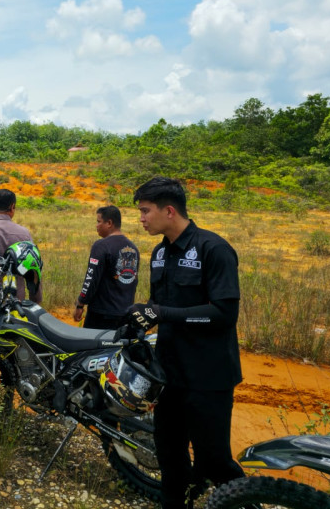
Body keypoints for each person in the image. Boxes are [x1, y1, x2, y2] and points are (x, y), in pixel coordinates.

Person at [127, 176, 245, 509]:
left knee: (214, 460)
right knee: (170, 456)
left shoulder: (213, 249)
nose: (141, 218)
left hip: (208, 376)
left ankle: (245, 501)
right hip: (169, 375)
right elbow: (158, 305)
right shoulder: (159, 253)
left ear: (169, 211)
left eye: (145, 211)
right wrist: (140, 316)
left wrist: (163, 313)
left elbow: (224, 314)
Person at [72, 205, 139, 330]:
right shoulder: (133, 248)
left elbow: (91, 279)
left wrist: (80, 303)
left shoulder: (101, 246)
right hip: (125, 313)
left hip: (102, 313)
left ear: (109, 223)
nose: (96, 225)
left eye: (99, 221)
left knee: (91, 343)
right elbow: (132, 282)